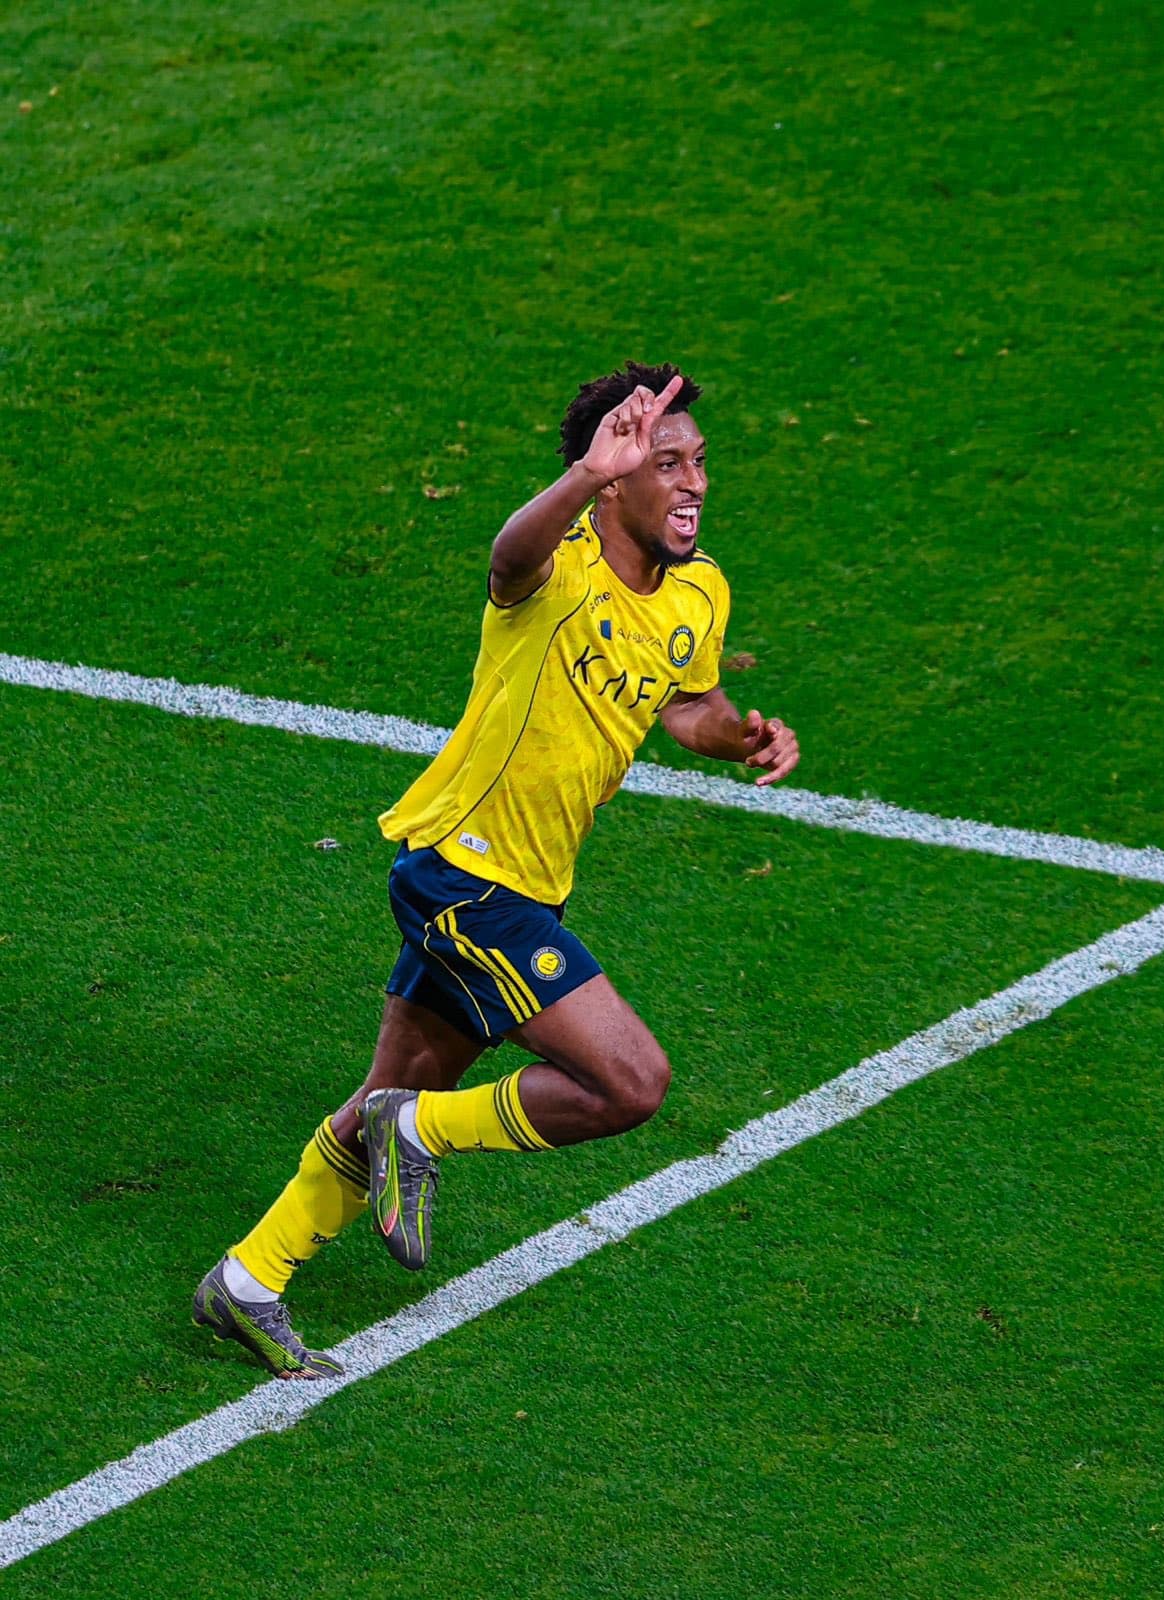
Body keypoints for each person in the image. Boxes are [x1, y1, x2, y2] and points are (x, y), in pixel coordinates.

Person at [193, 362, 800, 1378]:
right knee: (629, 1083)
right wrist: (579, 480)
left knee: (396, 1081)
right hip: (464, 875)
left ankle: (249, 1280)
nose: (692, 482)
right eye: (664, 461)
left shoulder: (699, 592)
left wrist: (733, 736)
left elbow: (683, 701)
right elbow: (503, 558)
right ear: (613, 478)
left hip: (530, 883)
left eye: (698, 461)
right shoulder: (556, 563)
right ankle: (419, 1130)